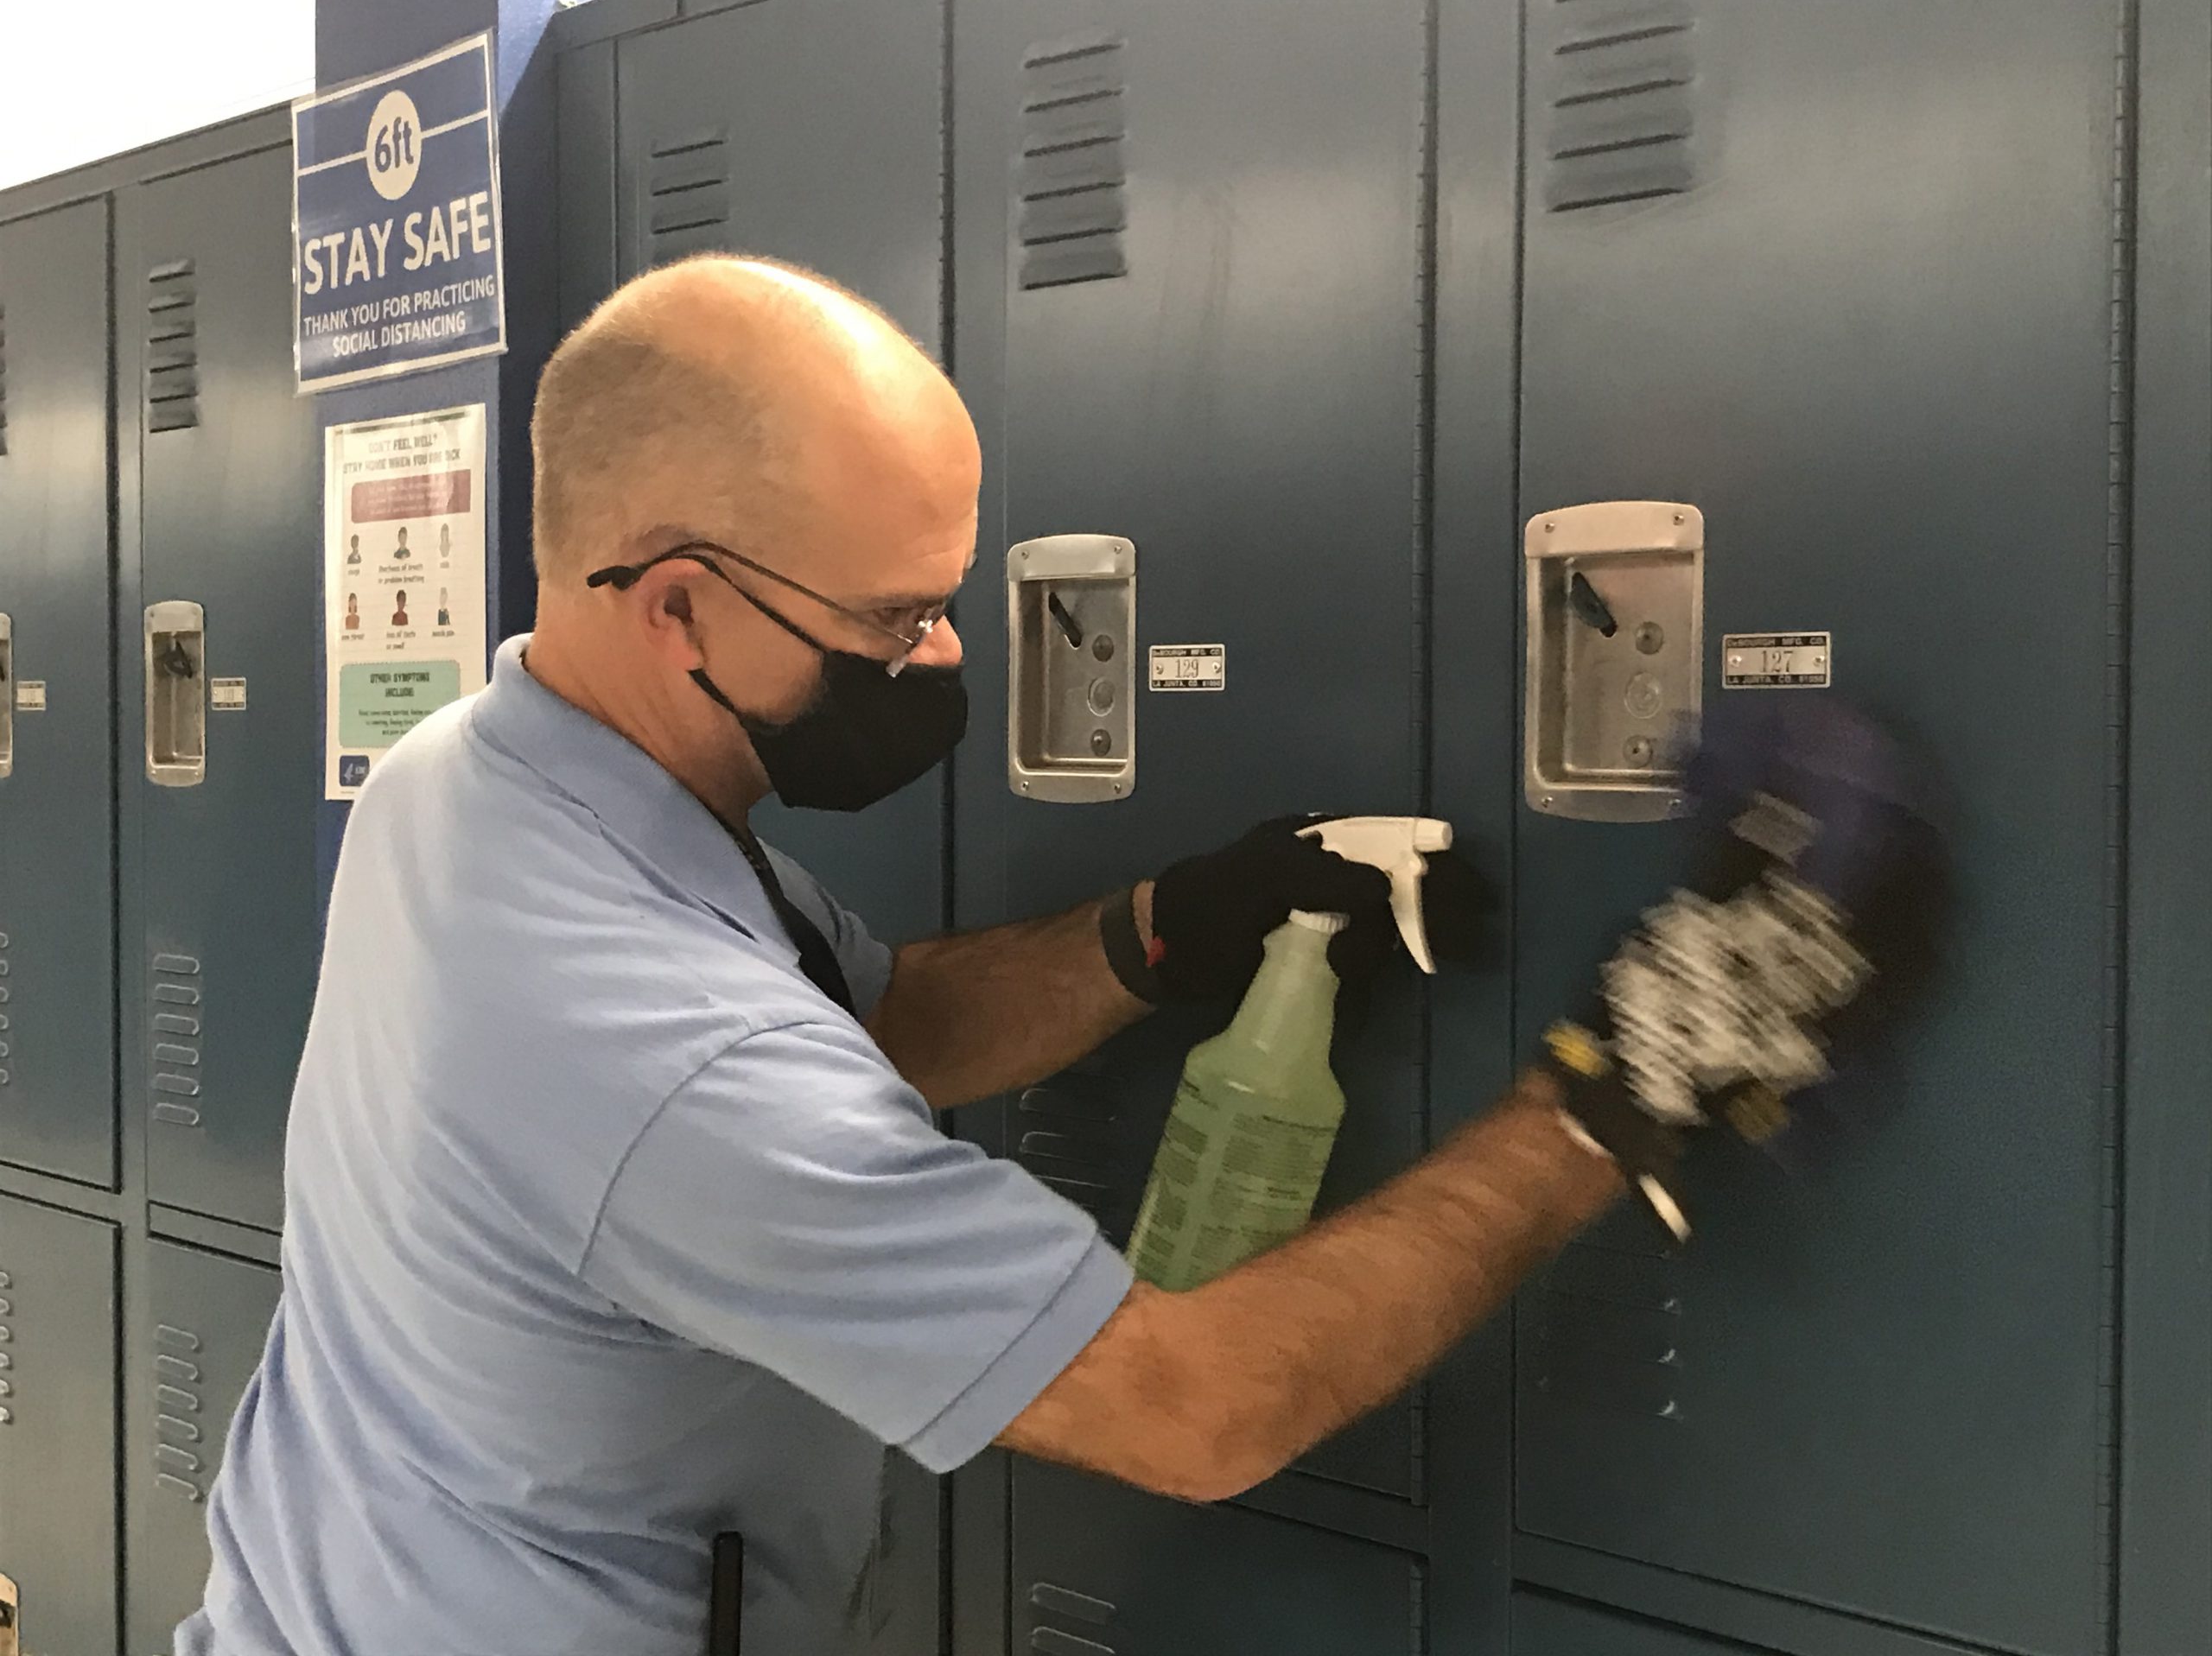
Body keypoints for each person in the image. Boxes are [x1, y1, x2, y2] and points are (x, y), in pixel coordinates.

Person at [181, 257, 1942, 1656]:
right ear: (675, 603)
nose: (944, 653)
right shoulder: (659, 1052)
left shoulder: (471, 780)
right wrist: (1614, 1088)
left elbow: (873, 1021)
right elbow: (1195, 1408)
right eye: (889, 617)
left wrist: (1171, 923)